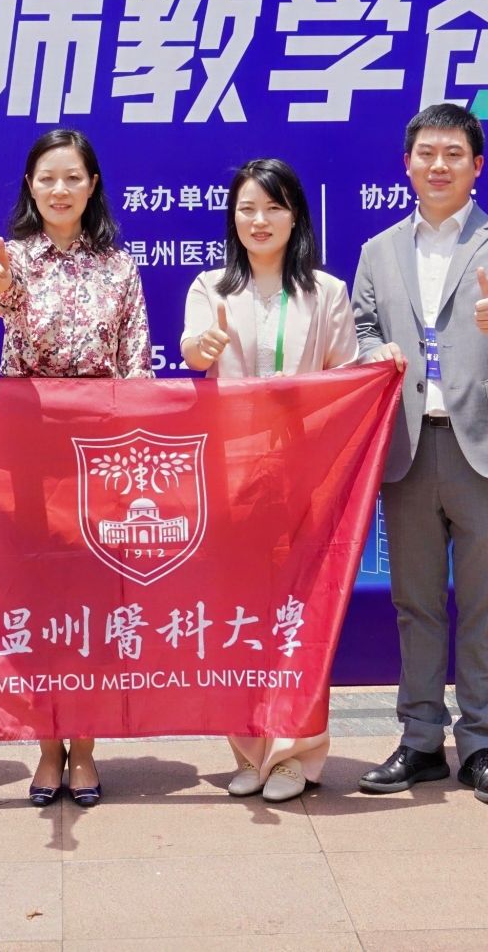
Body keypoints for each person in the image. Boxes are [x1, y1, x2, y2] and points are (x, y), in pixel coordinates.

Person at [349, 103, 488, 807]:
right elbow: (361, 323)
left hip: (485, 446)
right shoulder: (379, 249)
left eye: (454, 154)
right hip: (408, 445)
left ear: (477, 166)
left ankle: (482, 746)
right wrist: (372, 348)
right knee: (414, 603)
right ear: (407, 164)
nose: (439, 165)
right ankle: (419, 742)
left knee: (483, 604)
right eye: (427, 154)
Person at [0, 128, 152, 807]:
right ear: (30, 185)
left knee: (96, 604)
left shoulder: (120, 267)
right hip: (31, 451)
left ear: (92, 185)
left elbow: (137, 366)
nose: (59, 189)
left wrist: (131, 455)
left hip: (101, 456)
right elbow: (4, 306)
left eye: (73, 177)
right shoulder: (12, 259)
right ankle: (46, 747)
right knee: (40, 599)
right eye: (47, 177)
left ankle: (86, 746)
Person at [180, 159, 360, 803]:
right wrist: (204, 348)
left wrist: (319, 388)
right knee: (236, 612)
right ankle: (249, 749)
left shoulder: (326, 291)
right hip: (229, 471)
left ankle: (296, 753)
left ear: (295, 216)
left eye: (274, 208)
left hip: (304, 473)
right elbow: (194, 352)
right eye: (248, 209)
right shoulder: (211, 286)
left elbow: (347, 377)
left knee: (299, 613)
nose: (260, 221)